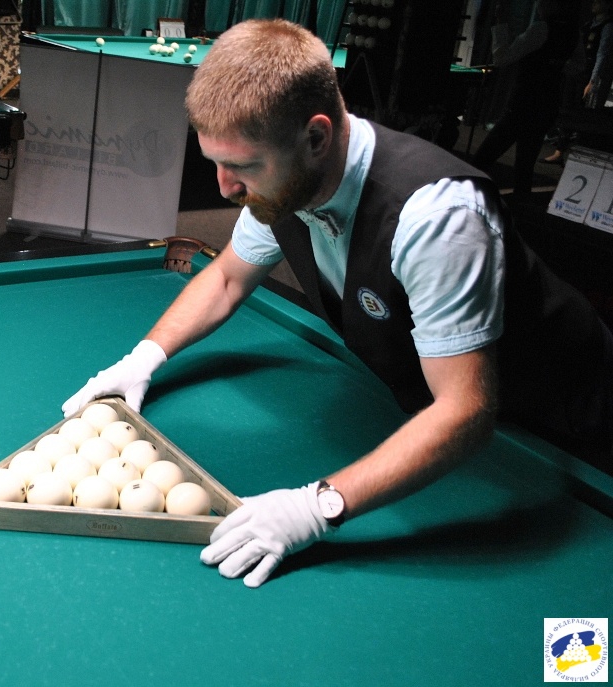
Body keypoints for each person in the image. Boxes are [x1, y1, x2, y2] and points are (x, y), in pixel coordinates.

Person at [61, 18, 613, 589]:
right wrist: (144, 357)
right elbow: (225, 278)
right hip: (448, 410)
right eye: (216, 163)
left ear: (317, 138)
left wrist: (317, 507)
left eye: (243, 166)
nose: (225, 188)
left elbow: (464, 410)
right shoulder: (286, 179)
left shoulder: (436, 220)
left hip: (572, 428)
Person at [471, 0, 581, 196]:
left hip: (524, 102)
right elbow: (577, 67)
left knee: (484, 157)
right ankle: (521, 205)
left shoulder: (540, 29)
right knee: (525, 163)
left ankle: (466, 194)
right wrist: (554, 66)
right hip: (548, 101)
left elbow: (502, 58)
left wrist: (500, 25)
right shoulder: (573, 32)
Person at [545, 0, 613, 162]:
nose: (594, 3)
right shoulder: (589, 24)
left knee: (582, 114)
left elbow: (602, 54)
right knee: (568, 109)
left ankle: (573, 153)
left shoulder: (607, 26)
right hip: (576, 72)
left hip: (587, 75)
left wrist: (593, 81)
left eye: (599, 1)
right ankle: (560, 151)